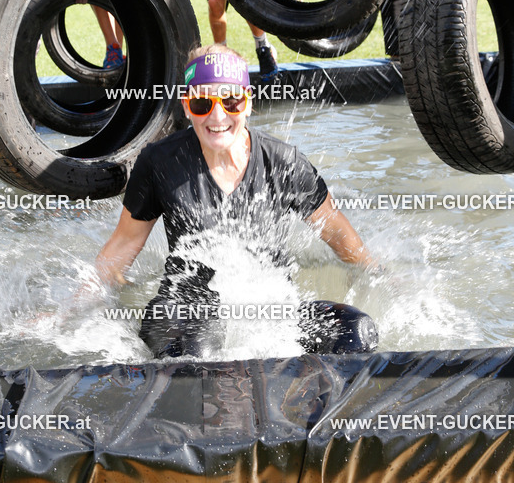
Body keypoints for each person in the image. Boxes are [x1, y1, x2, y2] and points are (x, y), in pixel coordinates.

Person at [91, 45, 380, 359]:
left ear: (248, 102)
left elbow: (336, 230)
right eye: (202, 103)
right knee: (198, 349)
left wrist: (377, 273)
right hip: (186, 309)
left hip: (269, 310)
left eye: (231, 101)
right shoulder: (159, 162)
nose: (217, 116)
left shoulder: (284, 162)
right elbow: (123, 244)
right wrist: (75, 309)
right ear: (186, 106)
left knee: (356, 332)